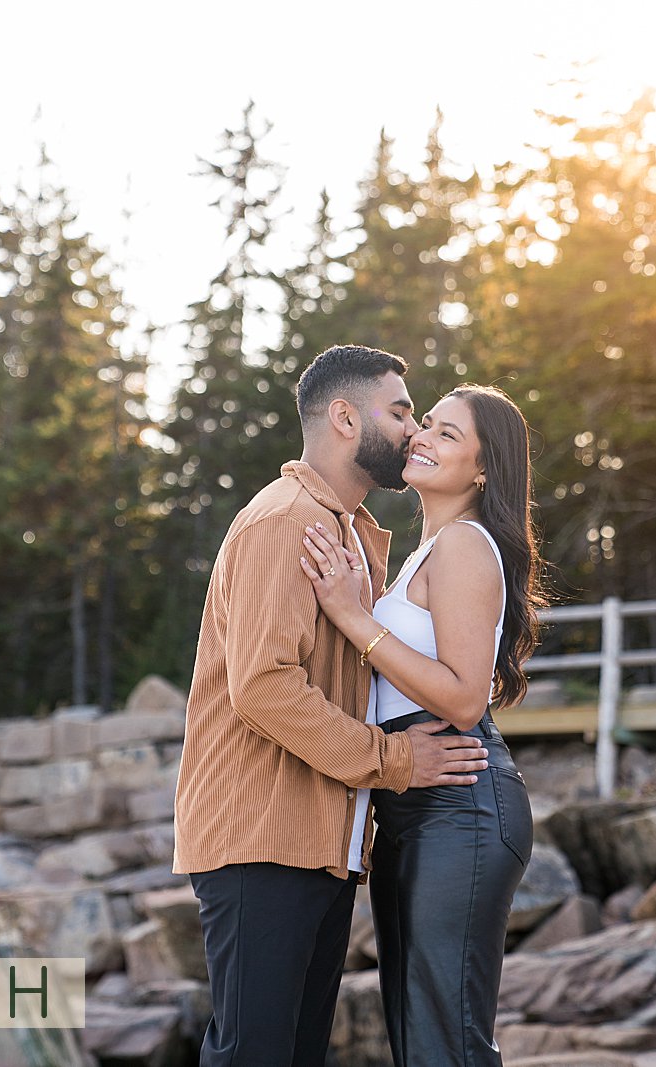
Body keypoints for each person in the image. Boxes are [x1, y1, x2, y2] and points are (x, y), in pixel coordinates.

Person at [172, 344, 494, 1067]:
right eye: (403, 411)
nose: (414, 430)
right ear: (345, 417)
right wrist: (397, 760)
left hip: (323, 843)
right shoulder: (283, 522)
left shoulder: (349, 533)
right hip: (262, 835)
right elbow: (265, 687)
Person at [297, 384, 543, 1067]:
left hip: (459, 805)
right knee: (420, 1038)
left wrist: (355, 617)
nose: (424, 437)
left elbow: (465, 700)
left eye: (448, 434)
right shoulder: (425, 551)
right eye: (425, 424)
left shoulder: (466, 543)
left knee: (445, 1040)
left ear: (484, 468)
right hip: (414, 806)